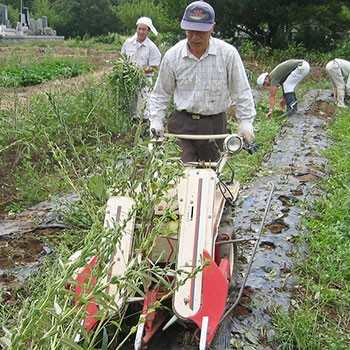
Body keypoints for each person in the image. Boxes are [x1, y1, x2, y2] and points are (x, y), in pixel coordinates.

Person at [148, 1, 256, 162]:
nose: (194, 37)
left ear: (212, 28)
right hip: (182, 125)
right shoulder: (173, 56)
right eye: (190, 31)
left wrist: (246, 124)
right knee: (180, 175)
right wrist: (156, 121)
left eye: (200, 32)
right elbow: (160, 94)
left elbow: (241, 93)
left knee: (212, 174)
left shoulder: (227, 55)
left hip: (214, 126)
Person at [121, 17, 161, 121]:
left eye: (144, 29)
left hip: (144, 81)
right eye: (139, 28)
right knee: (130, 106)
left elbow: (153, 67)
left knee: (143, 106)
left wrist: (139, 69)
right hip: (129, 80)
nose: (141, 31)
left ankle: (143, 128)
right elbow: (122, 58)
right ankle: (131, 128)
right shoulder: (128, 43)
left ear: (148, 31)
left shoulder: (152, 47)